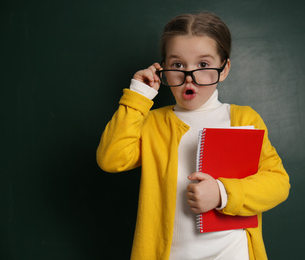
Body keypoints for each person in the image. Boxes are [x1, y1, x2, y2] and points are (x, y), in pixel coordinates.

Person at [96, 12, 290, 260]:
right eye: (177, 65)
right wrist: (138, 97)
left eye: (203, 65)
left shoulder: (243, 119)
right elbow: (111, 159)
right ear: (162, 68)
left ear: (224, 68)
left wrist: (222, 193)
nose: (190, 77)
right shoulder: (153, 123)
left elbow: (278, 183)